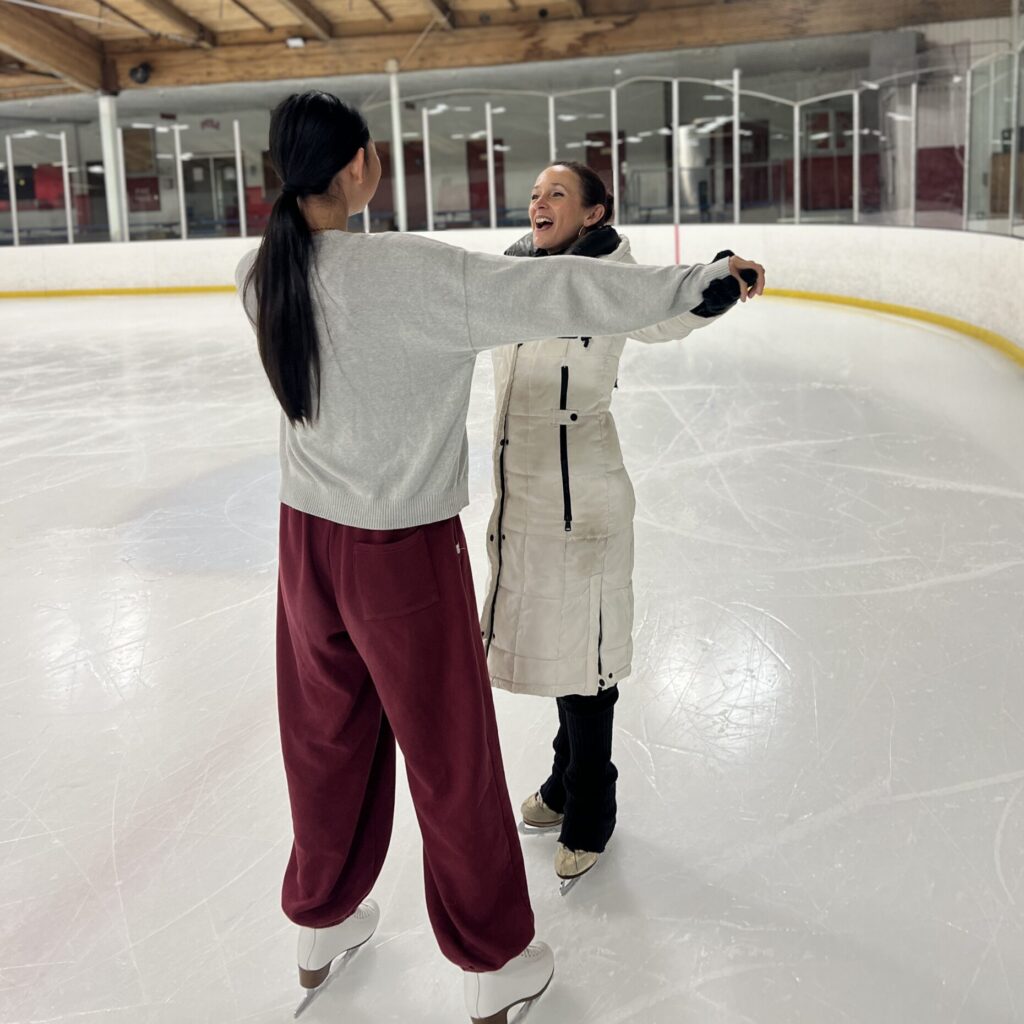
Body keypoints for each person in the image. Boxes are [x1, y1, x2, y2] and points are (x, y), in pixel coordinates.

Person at [235, 90, 765, 1024]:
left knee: (324, 743)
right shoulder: (414, 273)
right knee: (452, 759)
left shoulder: (258, 271)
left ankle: (321, 925)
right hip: (398, 554)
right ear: (359, 165)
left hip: (304, 546)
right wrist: (695, 283)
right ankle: (494, 961)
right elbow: (561, 288)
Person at [479, 162, 764, 886]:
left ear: (594, 213)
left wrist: (718, 279)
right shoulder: (513, 280)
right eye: (536, 191)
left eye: (558, 194)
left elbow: (666, 309)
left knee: (586, 656)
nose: (538, 202)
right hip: (526, 492)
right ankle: (560, 773)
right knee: (552, 640)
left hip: (581, 496)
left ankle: (590, 801)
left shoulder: (611, 278)